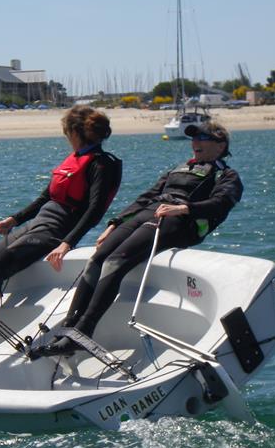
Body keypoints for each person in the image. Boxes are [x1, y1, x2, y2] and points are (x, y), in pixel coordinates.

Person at [0, 105, 122, 366]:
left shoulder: (101, 164)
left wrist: (66, 243)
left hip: (53, 232)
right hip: (36, 224)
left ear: (75, 132)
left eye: (67, 132)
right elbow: (46, 197)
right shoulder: (74, 159)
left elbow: (95, 211)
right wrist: (14, 219)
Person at [37, 120, 243, 357]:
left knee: (116, 261)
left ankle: (84, 332)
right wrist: (115, 223)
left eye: (202, 138)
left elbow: (221, 204)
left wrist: (185, 208)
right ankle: (68, 329)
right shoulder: (179, 168)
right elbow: (147, 196)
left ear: (220, 145)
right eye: (193, 139)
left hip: (177, 220)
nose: (195, 143)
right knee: (97, 259)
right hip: (150, 212)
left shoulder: (226, 175)